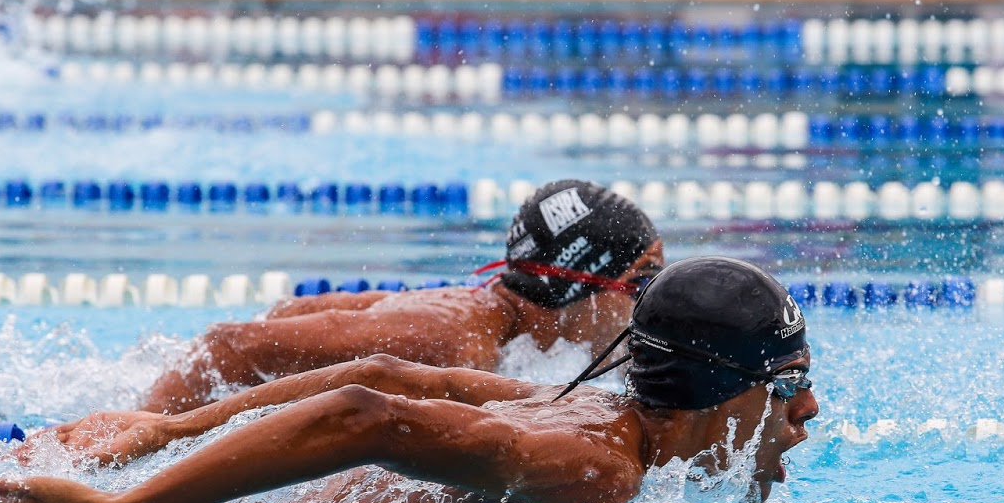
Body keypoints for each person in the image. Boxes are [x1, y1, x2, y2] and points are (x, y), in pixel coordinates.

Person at [0, 257, 819, 503]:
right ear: (717, 390)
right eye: (787, 383)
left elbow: (390, 372)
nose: (807, 410)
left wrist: (171, 428)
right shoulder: (595, 468)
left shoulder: (597, 409)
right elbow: (366, 408)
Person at [141, 179, 664, 413]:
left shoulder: (497, 332)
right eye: (643, 280)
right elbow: (227, 347)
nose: (649, 303)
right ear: (582, 286)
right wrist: (153, 439)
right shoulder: (449, 341)